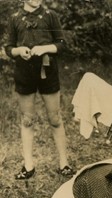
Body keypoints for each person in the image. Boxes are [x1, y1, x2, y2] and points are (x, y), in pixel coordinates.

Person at [5, 0, 74, 180]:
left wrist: (44, 48)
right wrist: (19, 51)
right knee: (27, 120)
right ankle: (28, 166)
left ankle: (64, 163)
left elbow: (61, 44)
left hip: (48, 72)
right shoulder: (15, 18)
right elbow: (8, 48)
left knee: (55, 118)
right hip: (24, 73)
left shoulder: (50, 16)